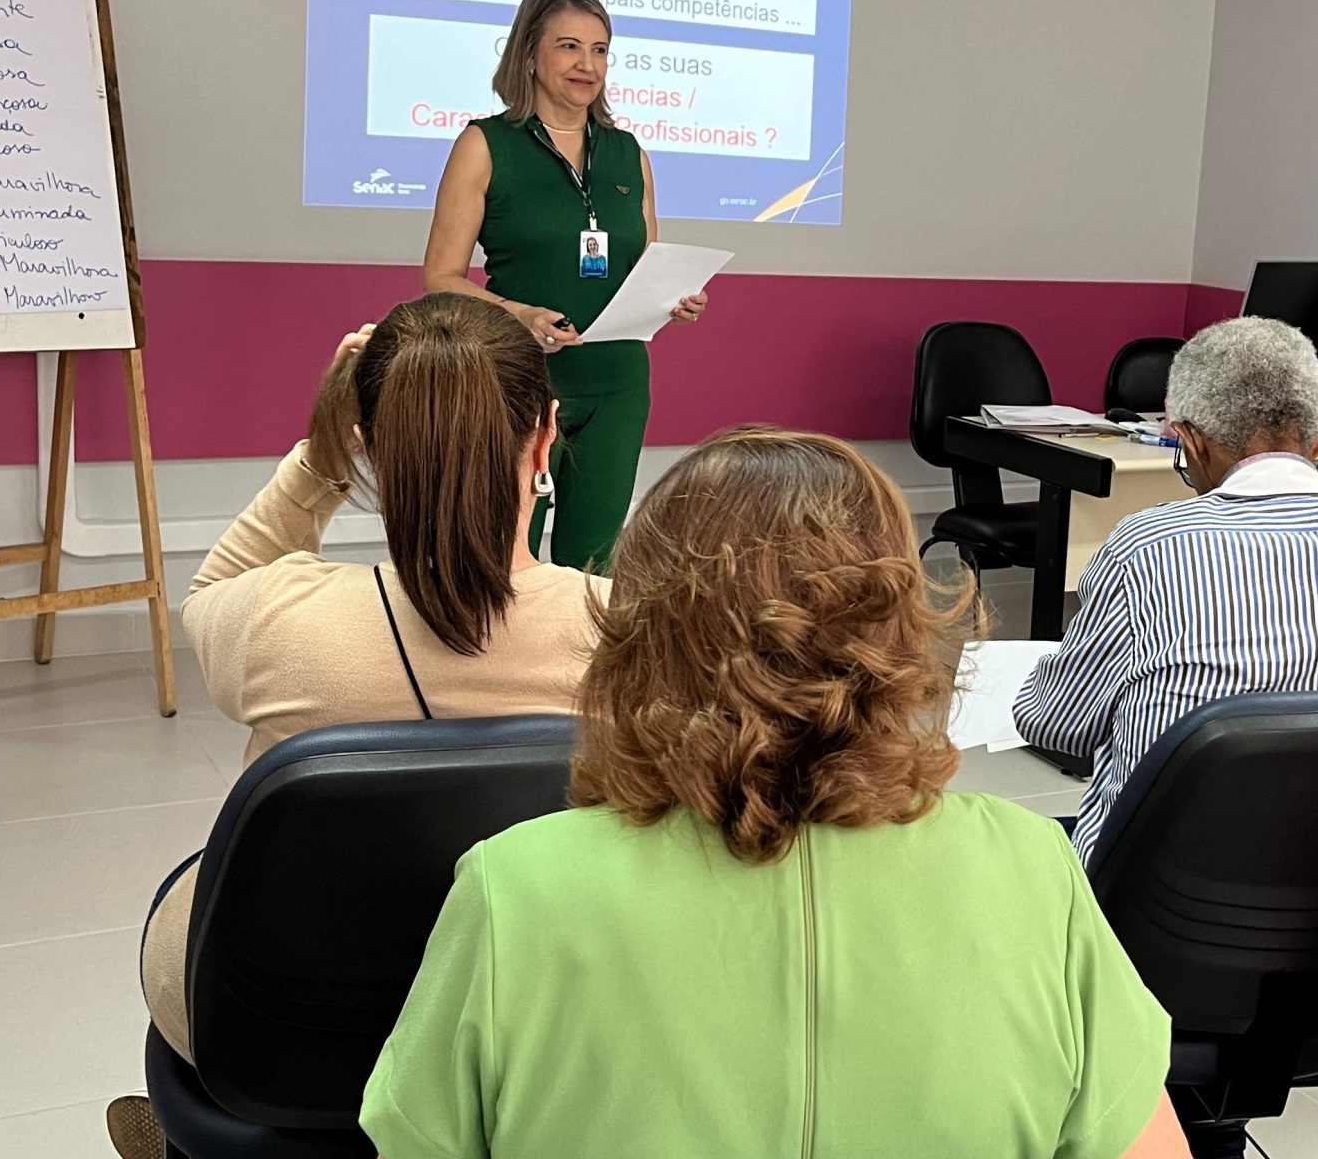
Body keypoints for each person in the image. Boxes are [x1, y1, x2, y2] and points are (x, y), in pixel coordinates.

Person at [360, 428, 1191, 1159]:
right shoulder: (1033, 869)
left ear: (639, 634)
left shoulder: (515, 890)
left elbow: (417, 1140)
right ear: (896, 624)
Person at [120, 294, 604, 1133]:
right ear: (545, 436)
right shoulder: (631, 631)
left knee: (190, 883)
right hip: (535, 1031)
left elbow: (206, 595)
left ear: (371, 443)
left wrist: (320, 458)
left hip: (274, 1042)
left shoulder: (282, 619)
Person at [1011, 317, 1318, 1154]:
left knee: (1007, 853)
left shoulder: (1150, 547)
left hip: (1149, 958)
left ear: (1187, 441)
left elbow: (1056, 719)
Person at [421, 0, 706, 571]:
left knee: (594, 559)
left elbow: (642, 270)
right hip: (521, 380)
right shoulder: (485, 144)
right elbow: (441, 278)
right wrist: (519, 315)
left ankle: (583, 667)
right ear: (529, 52)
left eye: (600, 50)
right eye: (570, 47)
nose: (588, 65)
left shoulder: (630, 153)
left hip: (618, 381)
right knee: (509, 558)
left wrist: (674, 298)